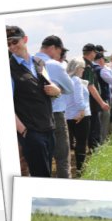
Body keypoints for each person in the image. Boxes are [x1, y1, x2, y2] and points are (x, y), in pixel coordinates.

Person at [7, 25, 61, 178]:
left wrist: (56, 91)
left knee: (47, 173)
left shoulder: (39, 62)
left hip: (48, 127)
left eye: (14, 41)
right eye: (8, 44)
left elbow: (49, 88)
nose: (11, 46)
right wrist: (23, 131)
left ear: (25, 39)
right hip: (31, 131)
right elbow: (4, 106)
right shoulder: (7, 69)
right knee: (40, 176)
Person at [34, 35, 74, 179]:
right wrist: (58, 89)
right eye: (59, 51)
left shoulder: (27, 63)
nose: (60, 55)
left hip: (31, 116)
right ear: (52, 48)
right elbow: (70, 88)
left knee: (40, 160)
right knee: (62, 158)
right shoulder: (53, 65)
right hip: (55, 114)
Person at [65, 57, 91, 174]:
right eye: (82, 68)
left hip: (69, 115)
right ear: (76, 68)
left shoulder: (67, 79)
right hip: (80, 115)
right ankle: (81, 169)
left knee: (71, 142)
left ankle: (71, 167)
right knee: (81, 142)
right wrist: (81, 111)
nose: (83, 70)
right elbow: (79, 99)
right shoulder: (76, 80)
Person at [81, 43, 110, 149]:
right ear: (92, 52)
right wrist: (101, 102)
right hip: (91, 101)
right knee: (94, 125)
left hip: (85, 100)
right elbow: (91, 86)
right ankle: (94, 148)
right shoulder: (88, 66)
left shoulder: (81, 63)